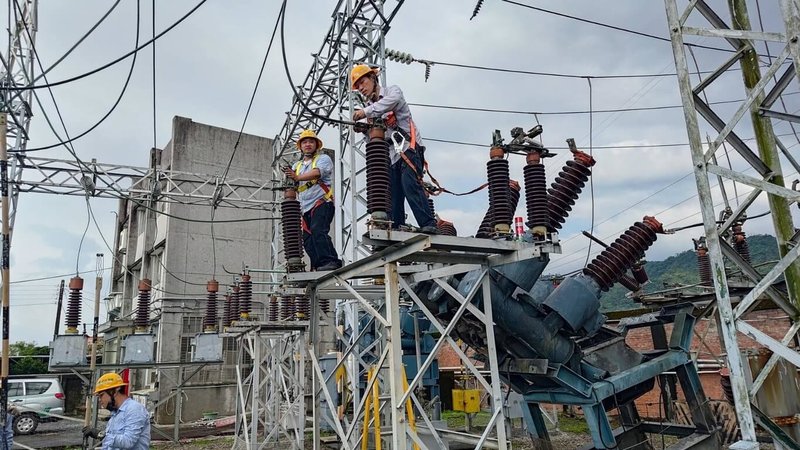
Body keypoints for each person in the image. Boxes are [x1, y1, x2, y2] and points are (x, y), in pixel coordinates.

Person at [350, 64, 438, 234]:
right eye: (357, 85)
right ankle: (396, 228)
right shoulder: (370, 109)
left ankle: (429, 223)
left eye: (363, 82)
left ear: (373, 78)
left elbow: (392, 103)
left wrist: (365, 112)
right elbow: (374, 139)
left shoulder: (392, 92)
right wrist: (365, 130)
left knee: (409, 183)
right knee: (394, 194)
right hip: (391, 154)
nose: (361, 88)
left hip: (409, 147)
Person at [282, 129, 342, 271]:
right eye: (305, 142)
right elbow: (292, 185)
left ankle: (331, 261)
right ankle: (318, 265)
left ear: (316, 145)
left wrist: (296, 177)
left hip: (321, 202)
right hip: (305, 207)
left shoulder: (323, 159)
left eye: (311, 141)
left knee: (318, 230)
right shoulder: (297, 166)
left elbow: (317, 172)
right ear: (300, 146)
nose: (308, 144)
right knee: (308, 240)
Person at [82, 372, 150, 450]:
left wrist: (100, 434)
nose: (100, 400)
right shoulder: (115, 414)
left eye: (101, 395)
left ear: (114, 392)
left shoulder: (134, 409)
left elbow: (128, 441)